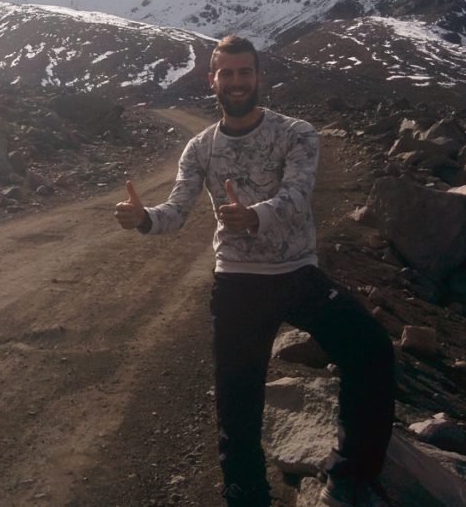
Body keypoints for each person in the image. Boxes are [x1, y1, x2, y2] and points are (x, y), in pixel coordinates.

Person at [114, 35, 395, 507]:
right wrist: (144, 219)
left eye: (245, 72)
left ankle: (350, 475)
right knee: (237, 404)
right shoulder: (199, 148)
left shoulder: (296, 132)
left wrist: (255, 215)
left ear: (259, 77)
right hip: (238, 283)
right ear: (213, 80)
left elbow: (298, 195)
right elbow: (177, 210)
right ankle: (246, 493)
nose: (237, 81)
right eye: (227, 73)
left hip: (297, 275)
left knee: (371, 350)